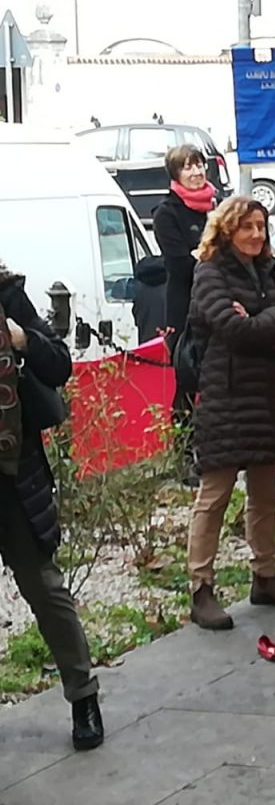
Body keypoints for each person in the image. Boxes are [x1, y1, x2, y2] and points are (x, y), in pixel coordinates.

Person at [186, 197, 275, 630]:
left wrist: (264, 316)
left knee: (264, 494)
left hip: (268, 399)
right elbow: (231, 328)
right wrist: (268, 321)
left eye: (260, 226)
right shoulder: (210, 272)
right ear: (227, 230)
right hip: (227, 397)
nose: (256, 234)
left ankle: (265, 575)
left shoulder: (269, 275)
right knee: (214, 496)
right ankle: (200, 588)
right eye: (247, 227)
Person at [0, 263, 103, 750]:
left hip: (13, 471)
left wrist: (21, 339)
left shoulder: (7, 293)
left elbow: (58, 364)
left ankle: (83, 695)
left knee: (43, 587)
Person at [151, 144, 216, 486]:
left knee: (217, 381)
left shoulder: (216, 207)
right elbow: (179, 263)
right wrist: (210, 259)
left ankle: (215, 452)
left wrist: (203, 257)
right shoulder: (167, 213)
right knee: (187, 384)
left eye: (199, 165)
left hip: (217, 305)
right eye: (188, 167)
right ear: (175, 174)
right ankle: (185, 455)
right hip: (184, 310)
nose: (196, 172)